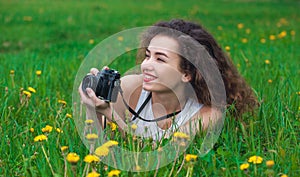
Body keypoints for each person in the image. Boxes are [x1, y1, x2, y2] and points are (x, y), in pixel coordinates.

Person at [79, 19, 258, 141]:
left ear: (187, 73)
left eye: (160, 59)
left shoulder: (207, 116)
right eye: (148, 55)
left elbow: (162, 151)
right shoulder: (129, 87)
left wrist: (111, 115)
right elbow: (95, 145)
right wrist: (93, 109)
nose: (146, 65)